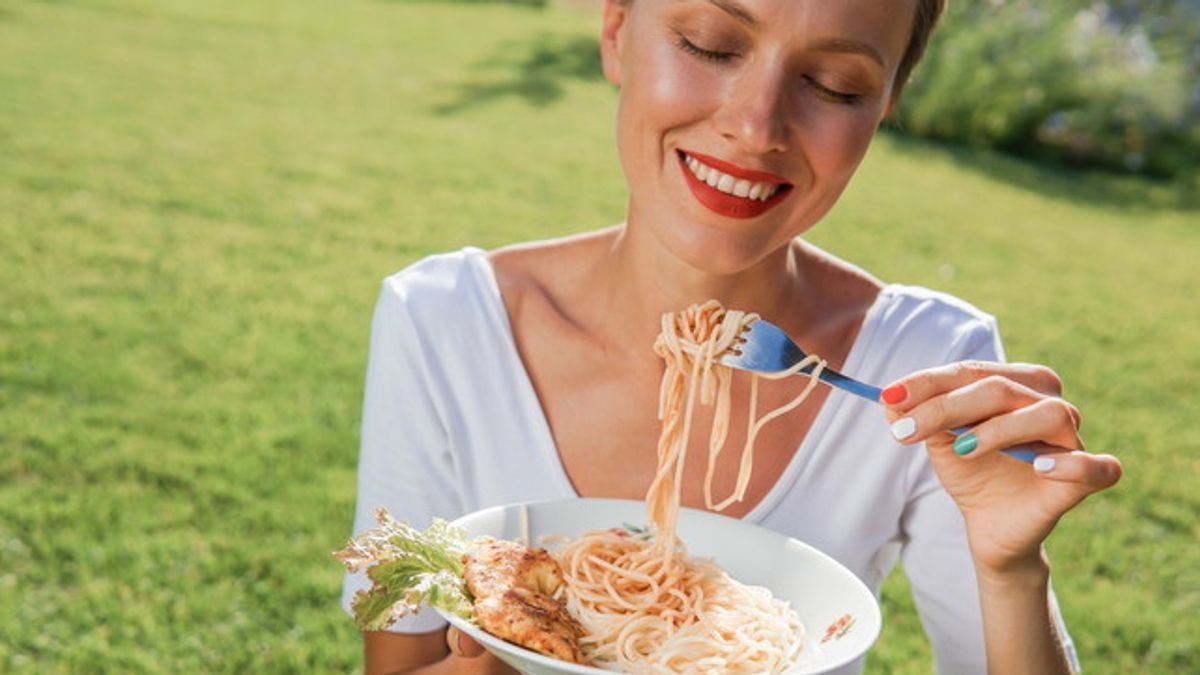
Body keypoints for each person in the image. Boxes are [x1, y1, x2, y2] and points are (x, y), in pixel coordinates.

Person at [341, 0, 1123, 672]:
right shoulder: (443, 318)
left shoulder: (929, 364)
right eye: (711, 45)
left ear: (884, 104)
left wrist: (1012, 568)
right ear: (617, 29)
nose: (756, 128)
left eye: (833, 85)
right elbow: (401, 654)